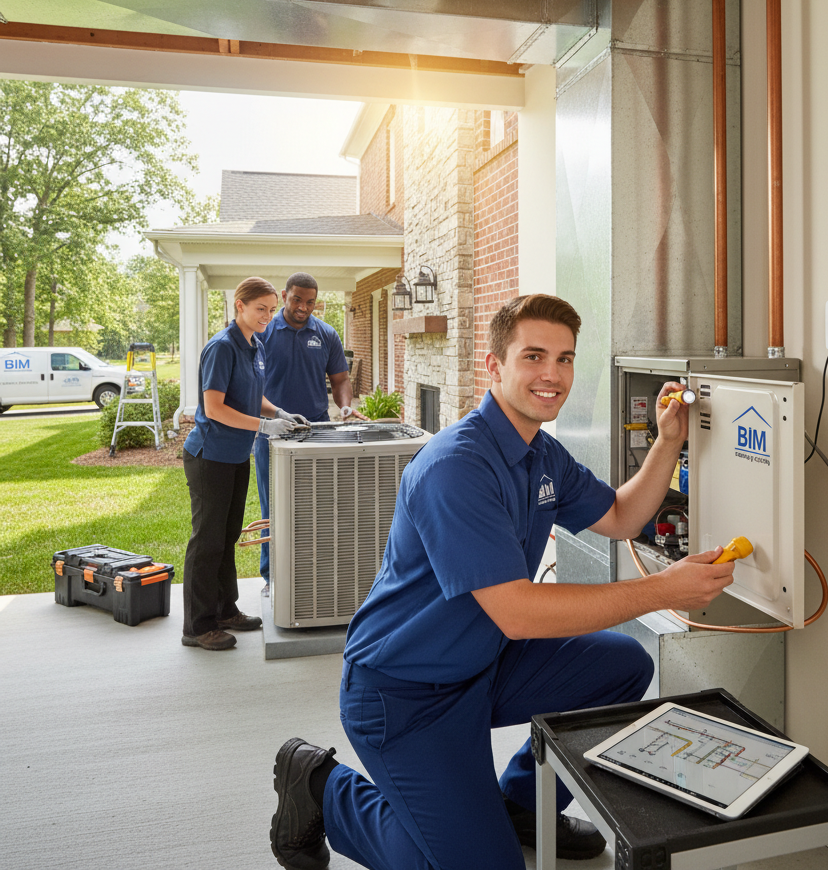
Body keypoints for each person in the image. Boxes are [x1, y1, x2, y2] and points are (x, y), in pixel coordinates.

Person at [269, 294, 736, 868]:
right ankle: (322, 789)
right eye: (534, 356)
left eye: (564, 359)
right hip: (404, 693)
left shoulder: (541, 454)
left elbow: (620, 517)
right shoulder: (454, 467)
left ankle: (522, 804)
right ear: (494, 366)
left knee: (624, 666)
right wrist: (666, 590)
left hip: (483, 665)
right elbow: (518, 612)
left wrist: (667, 441)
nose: (552, 374)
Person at [181, 277, 307, 652]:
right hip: (210, 456)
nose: (267, 316)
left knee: (228, 536)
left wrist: (279, 411)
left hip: (236, 454)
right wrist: (266, 426)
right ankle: (197, 626)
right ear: (240, 306)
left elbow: (252, 394)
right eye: (260, 309)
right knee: (207, 541)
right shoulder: (221, 347)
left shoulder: (255, 344)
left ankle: (224, 610)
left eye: (271, 309)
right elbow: (215, 407)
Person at [254, 272, 362, 588]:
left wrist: (343, 406)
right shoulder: (264, 332)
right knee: (272, 505)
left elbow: (341, 379)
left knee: (320, 506)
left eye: (310, 301)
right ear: (285, 296)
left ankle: (314, 573)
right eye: (297, 299)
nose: (303, 307)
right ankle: (272, 577)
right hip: (271, 434)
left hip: (316, 432)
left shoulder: (327, 334)